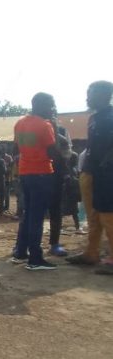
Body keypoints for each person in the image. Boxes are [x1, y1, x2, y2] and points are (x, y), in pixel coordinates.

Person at [12, 92, 62, 271]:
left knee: (28, 214)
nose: (53, 109)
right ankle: (35, 258)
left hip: (25, 173)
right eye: (51, 105)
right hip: (42, 174)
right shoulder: (45, 125)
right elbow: (52, 152)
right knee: (37, 217)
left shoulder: (20, 123)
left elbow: (16, 147)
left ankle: (20, 252)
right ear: (42, 105)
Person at [67, 80, 113, 274]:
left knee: (108, 215)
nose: (87, 97)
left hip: (107, 174)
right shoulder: (93, 118)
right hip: (89, 172)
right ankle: (91, 253)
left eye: (91, 93)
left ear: (104, 95)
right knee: (93, 215)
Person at [48, 126, 73, 256]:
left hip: (48, 178)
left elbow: (67, 156)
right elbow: (67, 156)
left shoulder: (60, 139)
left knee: (53, 212)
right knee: (54, 213)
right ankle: (53, 244)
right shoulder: (60, 139)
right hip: (44, 177)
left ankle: (23, 246)